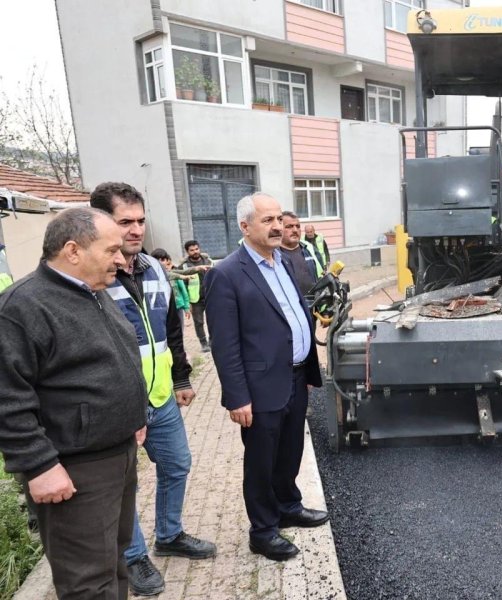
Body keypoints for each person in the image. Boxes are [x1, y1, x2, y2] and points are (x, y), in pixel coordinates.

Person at [0, 207, 147, 600]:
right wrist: (39, 465)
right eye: (111, 250)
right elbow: (7, 396)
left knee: (114, 562)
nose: (121, 259)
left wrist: (132, 414)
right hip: (73, 469)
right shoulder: (22, 307)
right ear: (73, 250)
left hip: (117, 454)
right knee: (87, 580)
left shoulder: (94, 292)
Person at [90, 183, 216, 597]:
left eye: (141, 220)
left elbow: (171, 330)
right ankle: (133, 556)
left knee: (177, 464)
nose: (136, 229)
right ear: (101, 222)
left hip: (160, 397)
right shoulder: (91, 277)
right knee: (125, 484)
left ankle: (169, 534)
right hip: (116, 404)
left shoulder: (155, 269)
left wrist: (181, 378)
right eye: (125, 221)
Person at [205, 192, 328, 562]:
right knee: (261, 461)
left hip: (295, 378)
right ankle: (262, 531)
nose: (278, 226)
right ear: (245, 227)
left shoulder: (284, 261)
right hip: (260, 388)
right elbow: (224, 344)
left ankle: (288, 506)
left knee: (291, 450)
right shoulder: (226, 274)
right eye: (267, 220)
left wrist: (307, 367)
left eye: (279, 219)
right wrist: (237, 396)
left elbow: (294, 315)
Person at [178, 240, 213, 352]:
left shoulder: (208, 261)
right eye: (192, 250)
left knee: (213, 320)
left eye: (197, 249)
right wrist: (187, 302)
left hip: (210, 296)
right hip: (195, 300)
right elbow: (182, 285)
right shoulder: (184, 266)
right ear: (187, 252)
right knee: (199, 322)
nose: (195, 252)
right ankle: (204, 343)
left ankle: (212, 341)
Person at [280, 211, 320, 296]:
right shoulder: (274, 255)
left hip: (313, 302)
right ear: (279, 229)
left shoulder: (308, 249)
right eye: (289, 226)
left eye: (297, 226)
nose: (295, 230)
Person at [151, 249, 192, 329]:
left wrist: (186, 307)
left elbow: (183, 291)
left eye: (163, 260)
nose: (160, 262)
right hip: (161, 308)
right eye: (157, 260)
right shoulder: (151, 276)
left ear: (167, 261)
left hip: (177, 306)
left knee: (179, 329)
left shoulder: (174, 275)